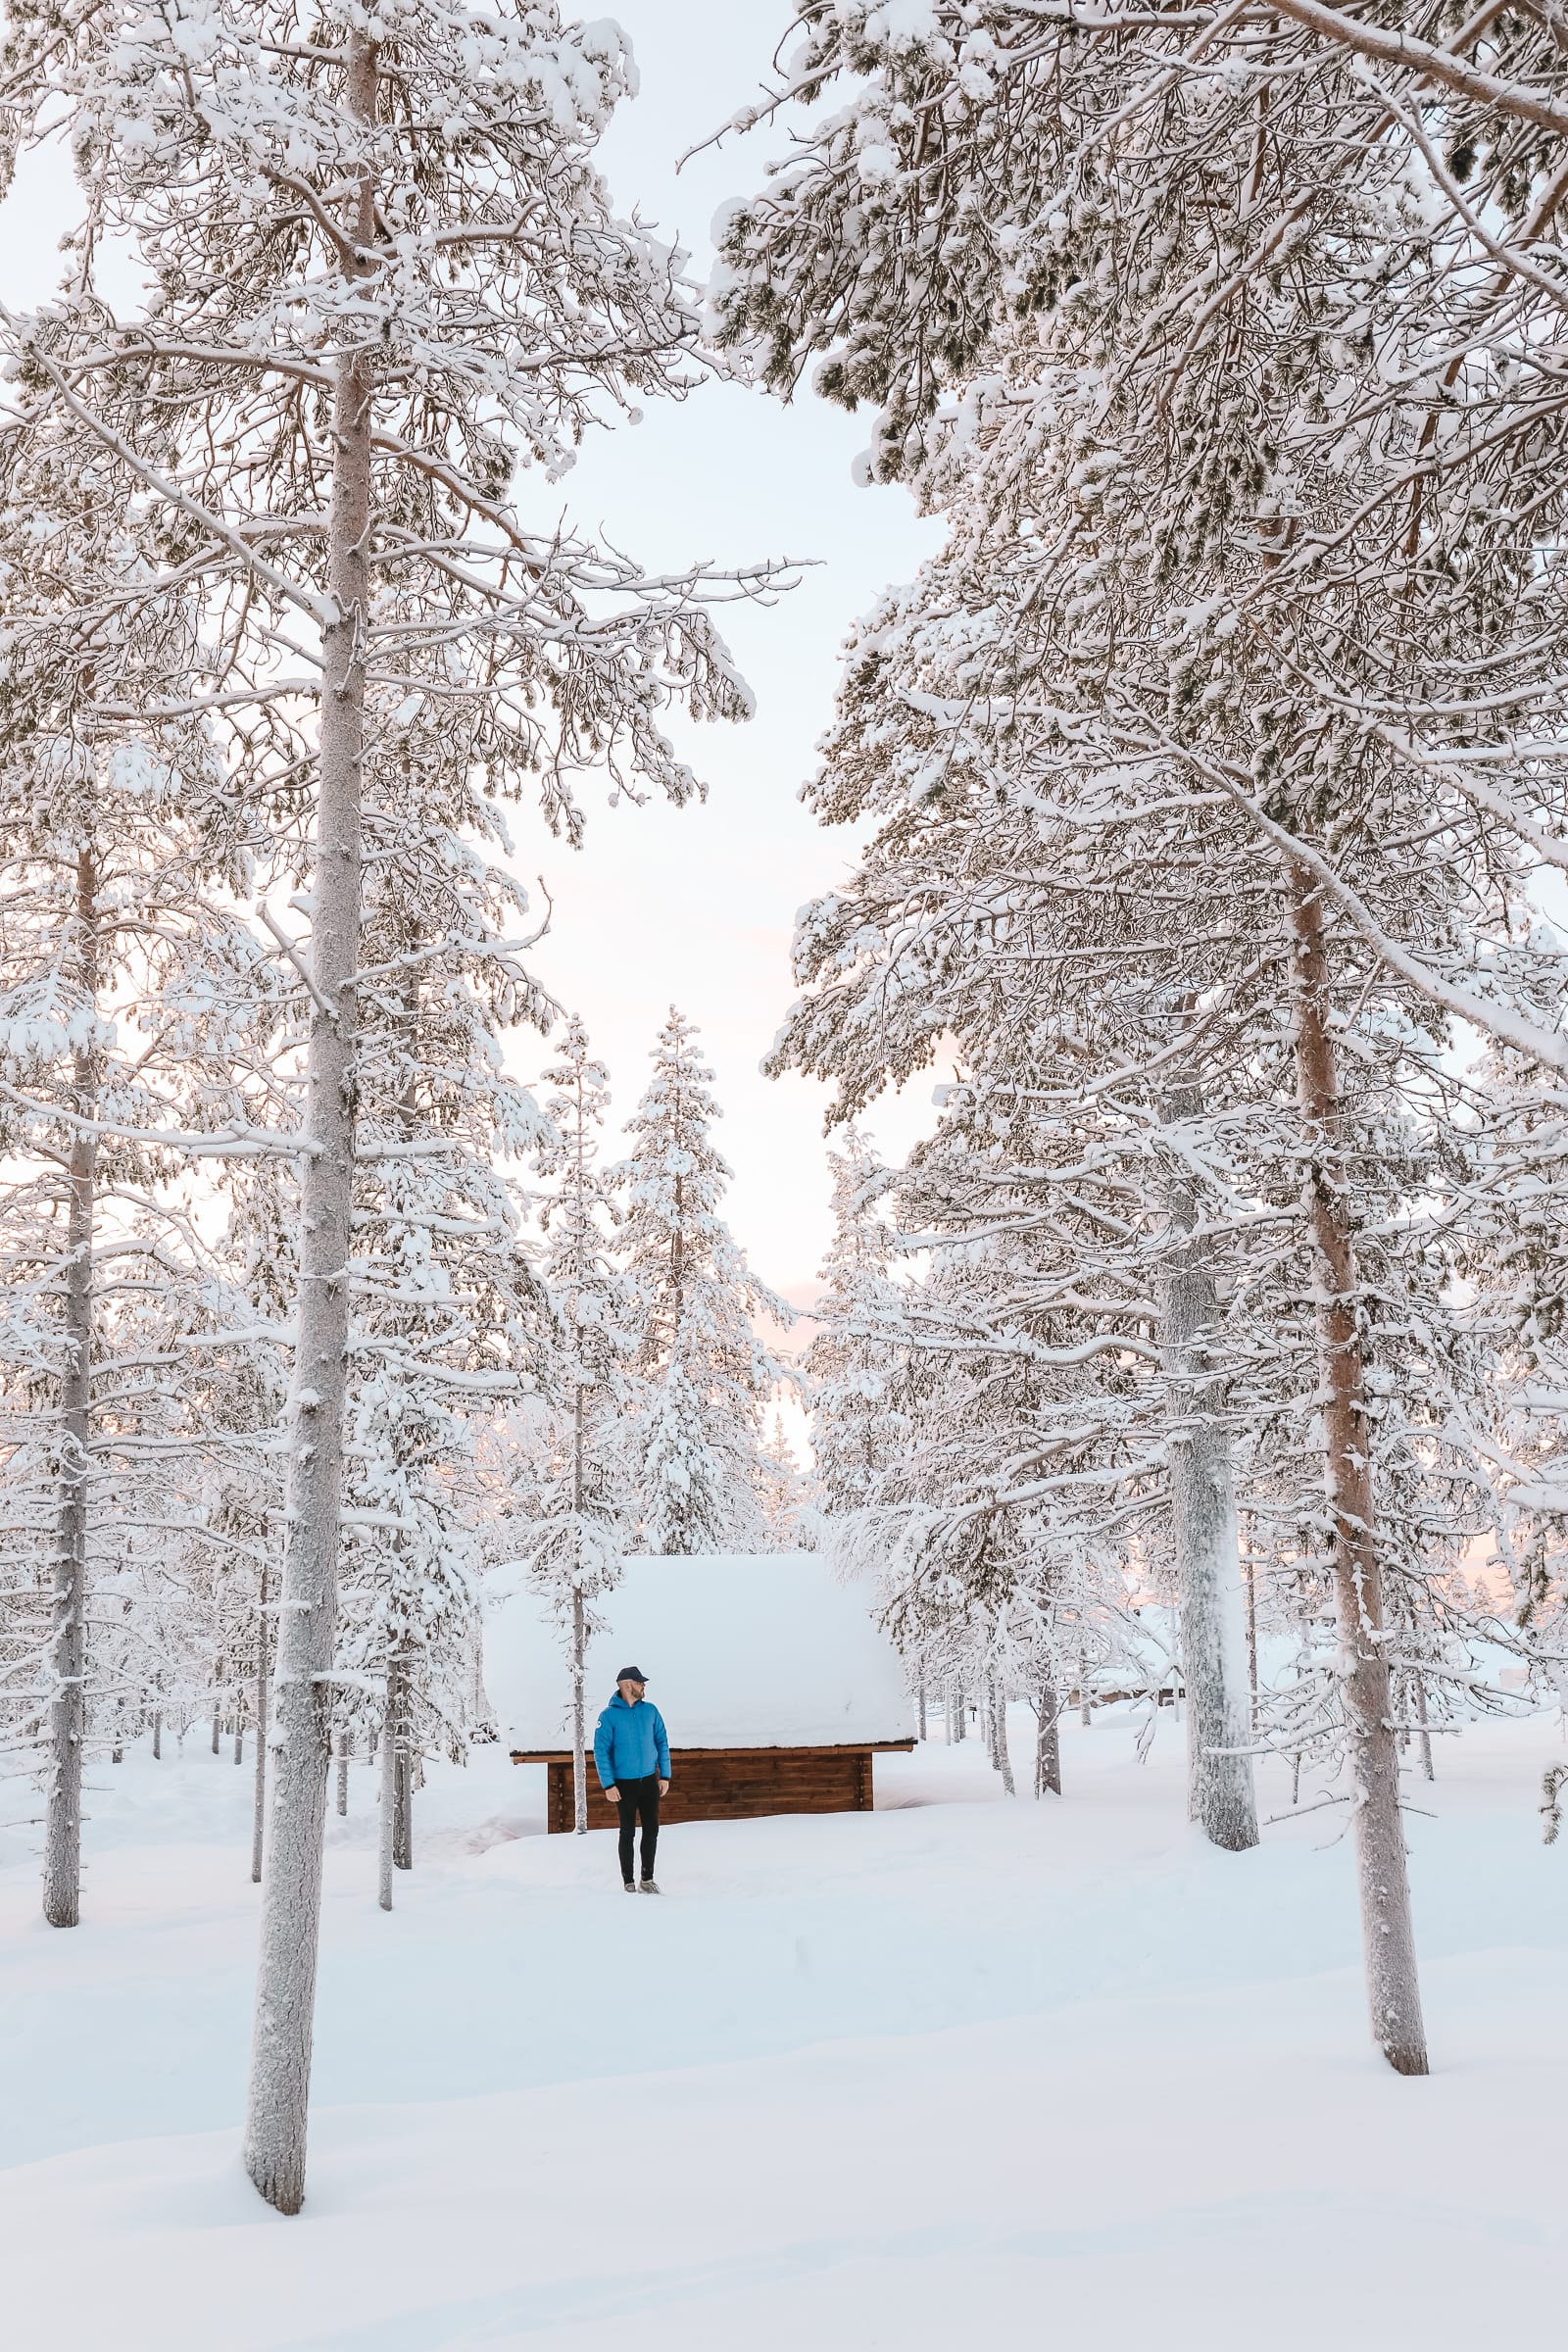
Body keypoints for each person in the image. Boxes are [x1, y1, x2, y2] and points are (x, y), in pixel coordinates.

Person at [594, 1667, 670, 1893]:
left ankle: (647, 1879)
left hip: (649, 1781)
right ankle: (628, 1882)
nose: (643, 1686)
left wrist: (665, 1775)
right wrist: (608, 1784)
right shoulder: (608, 1716)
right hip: (623, 1784)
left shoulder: (651, 1711)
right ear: (627, 1684)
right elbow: (601, 1751)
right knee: (627, 1831)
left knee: (651, 1829)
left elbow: (662, 1743)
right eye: (640, 1683)